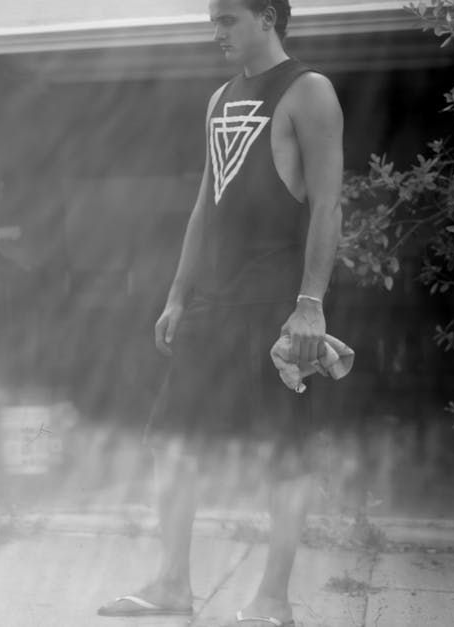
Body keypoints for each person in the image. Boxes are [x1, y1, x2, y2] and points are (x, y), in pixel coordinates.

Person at [95, 1, 343, 625]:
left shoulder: (308, 91)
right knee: (172, 442)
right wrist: (178, 294)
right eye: (213, 18)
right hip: (213, 301)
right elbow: (205, 204)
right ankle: (173, 585)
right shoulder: (218, 100)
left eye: (229, 18)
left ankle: (272, 602)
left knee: (282, 455)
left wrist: (309, 304)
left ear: (267, 16)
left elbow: (328, 207)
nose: (216, 30)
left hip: (276, 308)